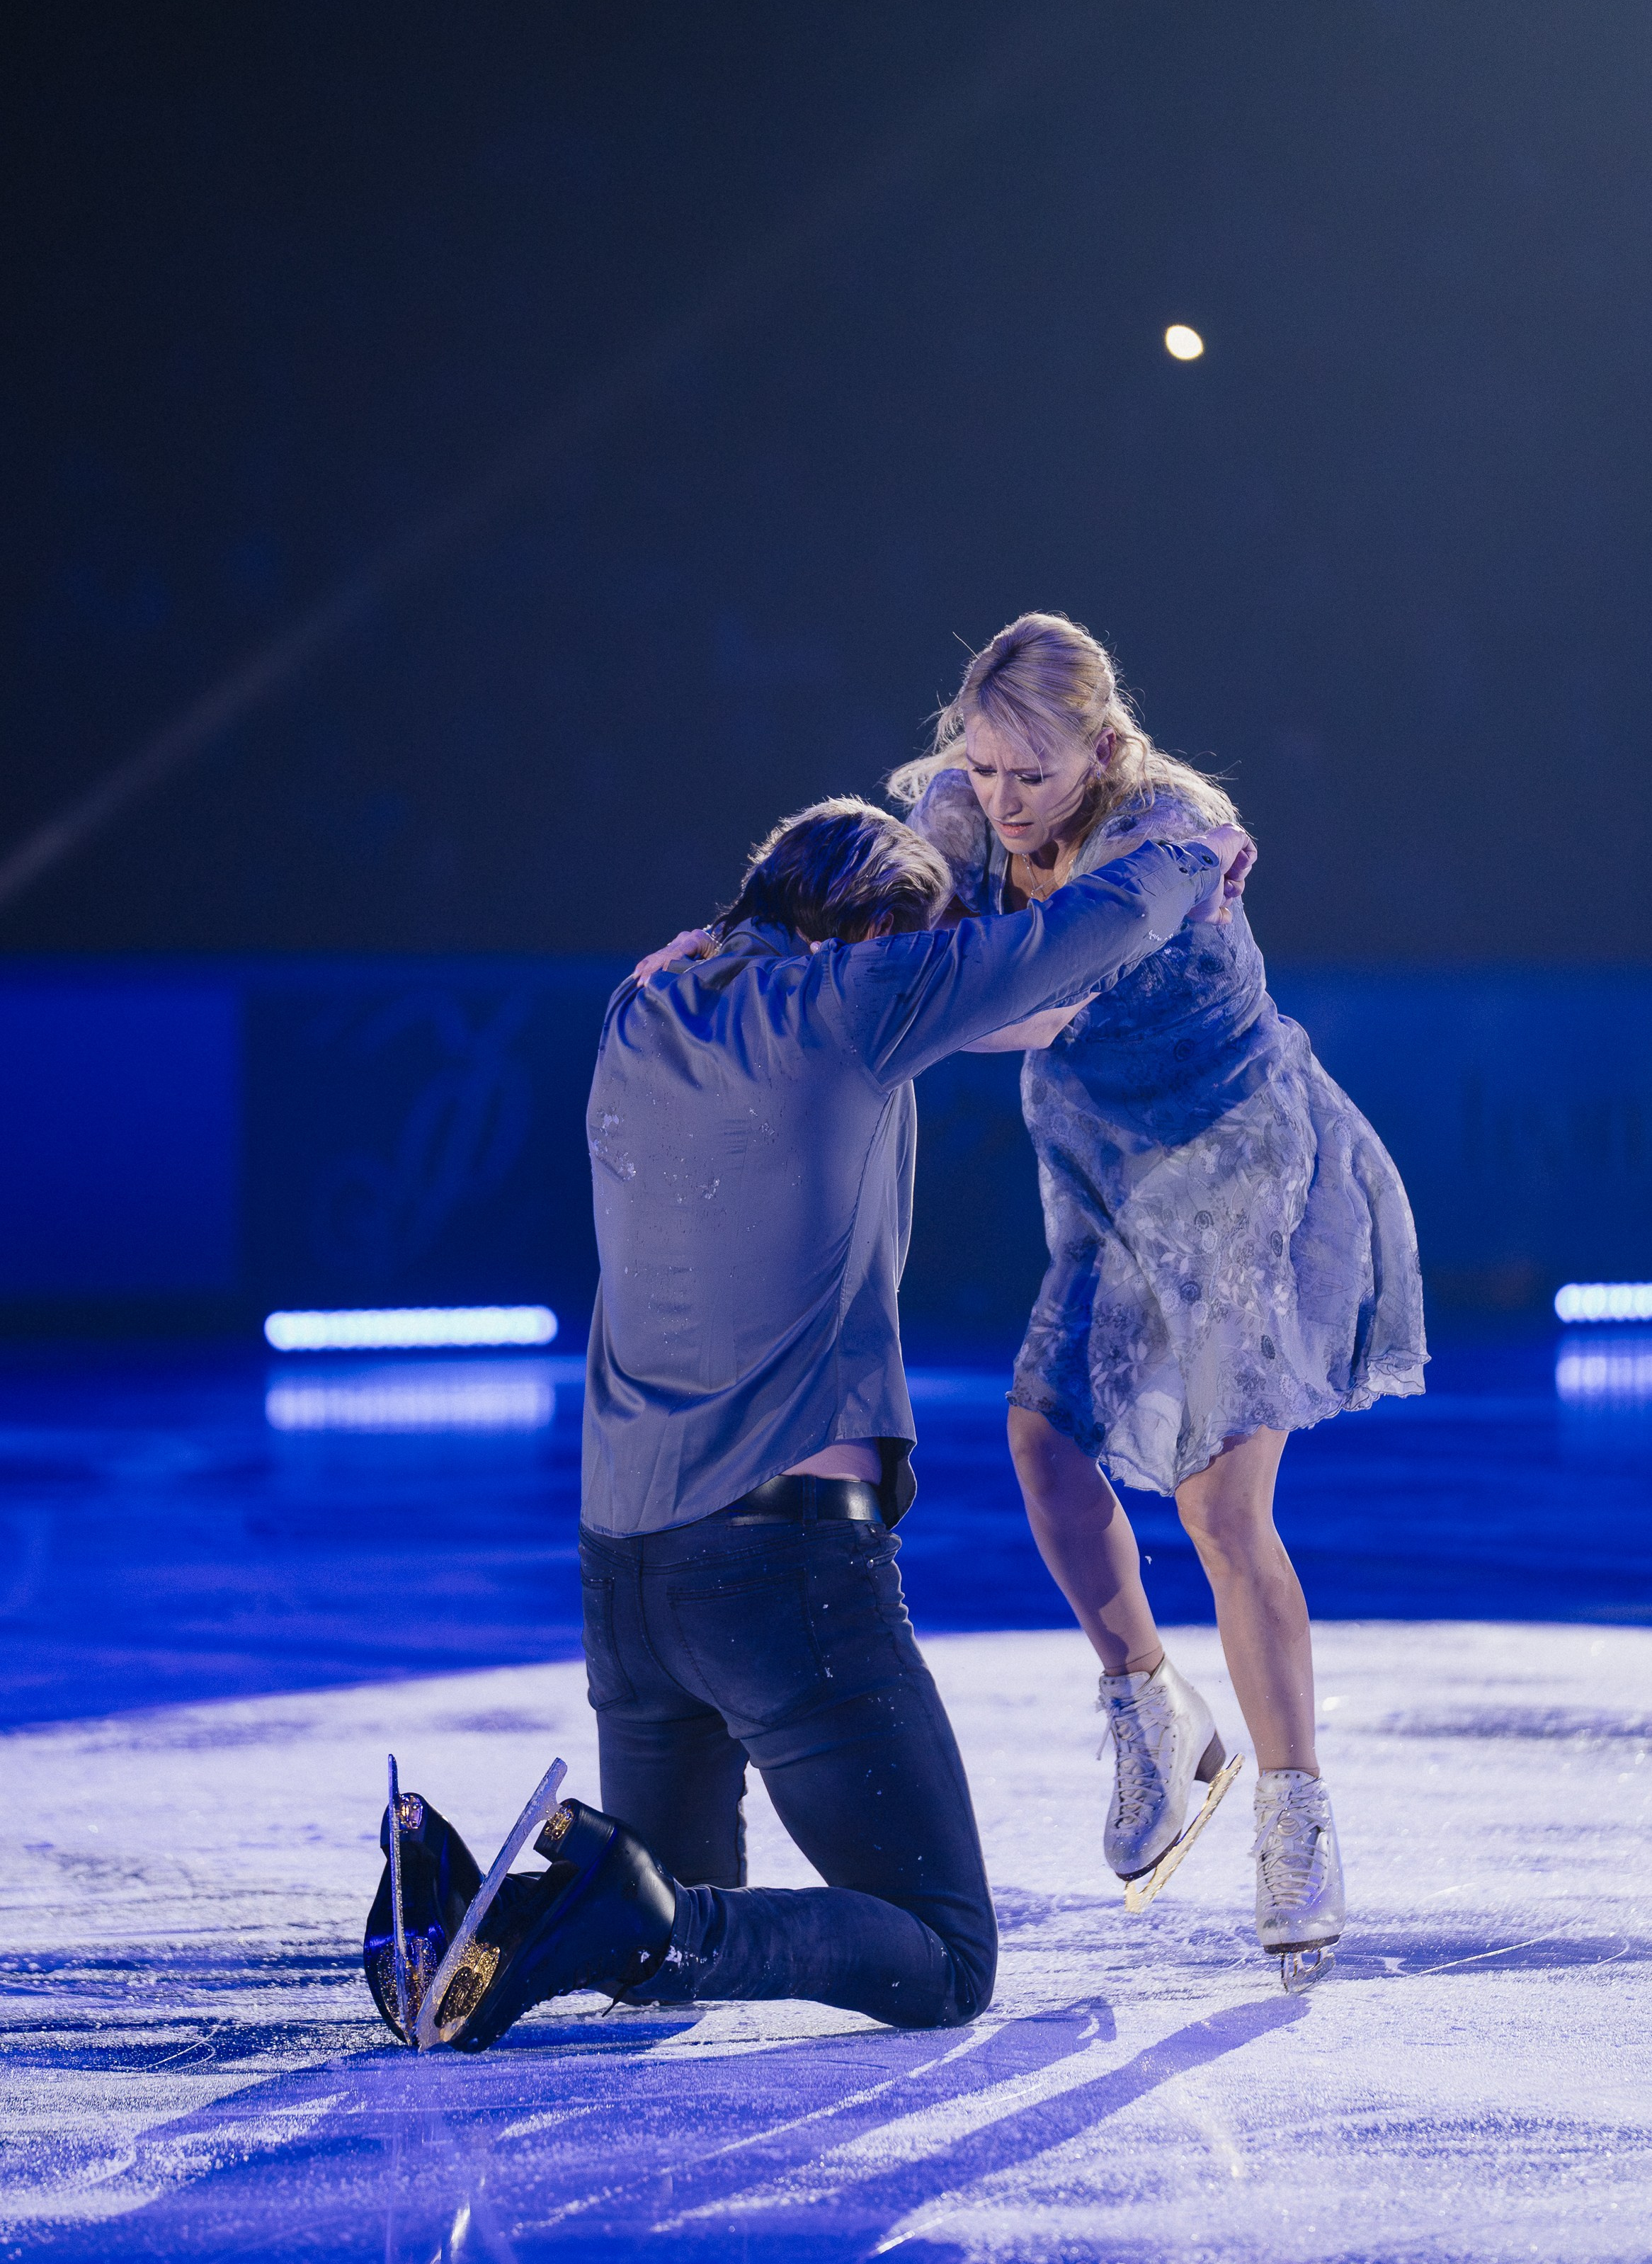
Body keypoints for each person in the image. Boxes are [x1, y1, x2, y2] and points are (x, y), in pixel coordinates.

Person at [363, 794, 1243, 2049]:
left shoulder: (644, 1008)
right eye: (912, 952)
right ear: (874, 934)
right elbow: (1068, 940)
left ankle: (493, 1910)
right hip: (783, 1583)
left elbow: (1014, 1006)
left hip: (625, 1584)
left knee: (662, 1924)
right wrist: (1188, 855)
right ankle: (600, 1915)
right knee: (941, 1957)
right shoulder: (847, 1008)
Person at [889, 613, 1428, 1988]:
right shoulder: (960, 806)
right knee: (1042, 1443)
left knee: (1217, 1507)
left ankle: (1296, 1816)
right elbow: (888, 880)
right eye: (985, 767)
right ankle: (1150, 1710)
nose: (1004, 801)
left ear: (1105, 747)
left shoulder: (1169, 834)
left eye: (1032, 775)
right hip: (1103, 1167)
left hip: (1244, 1163)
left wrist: (889, 1009)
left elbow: (1026, 987)